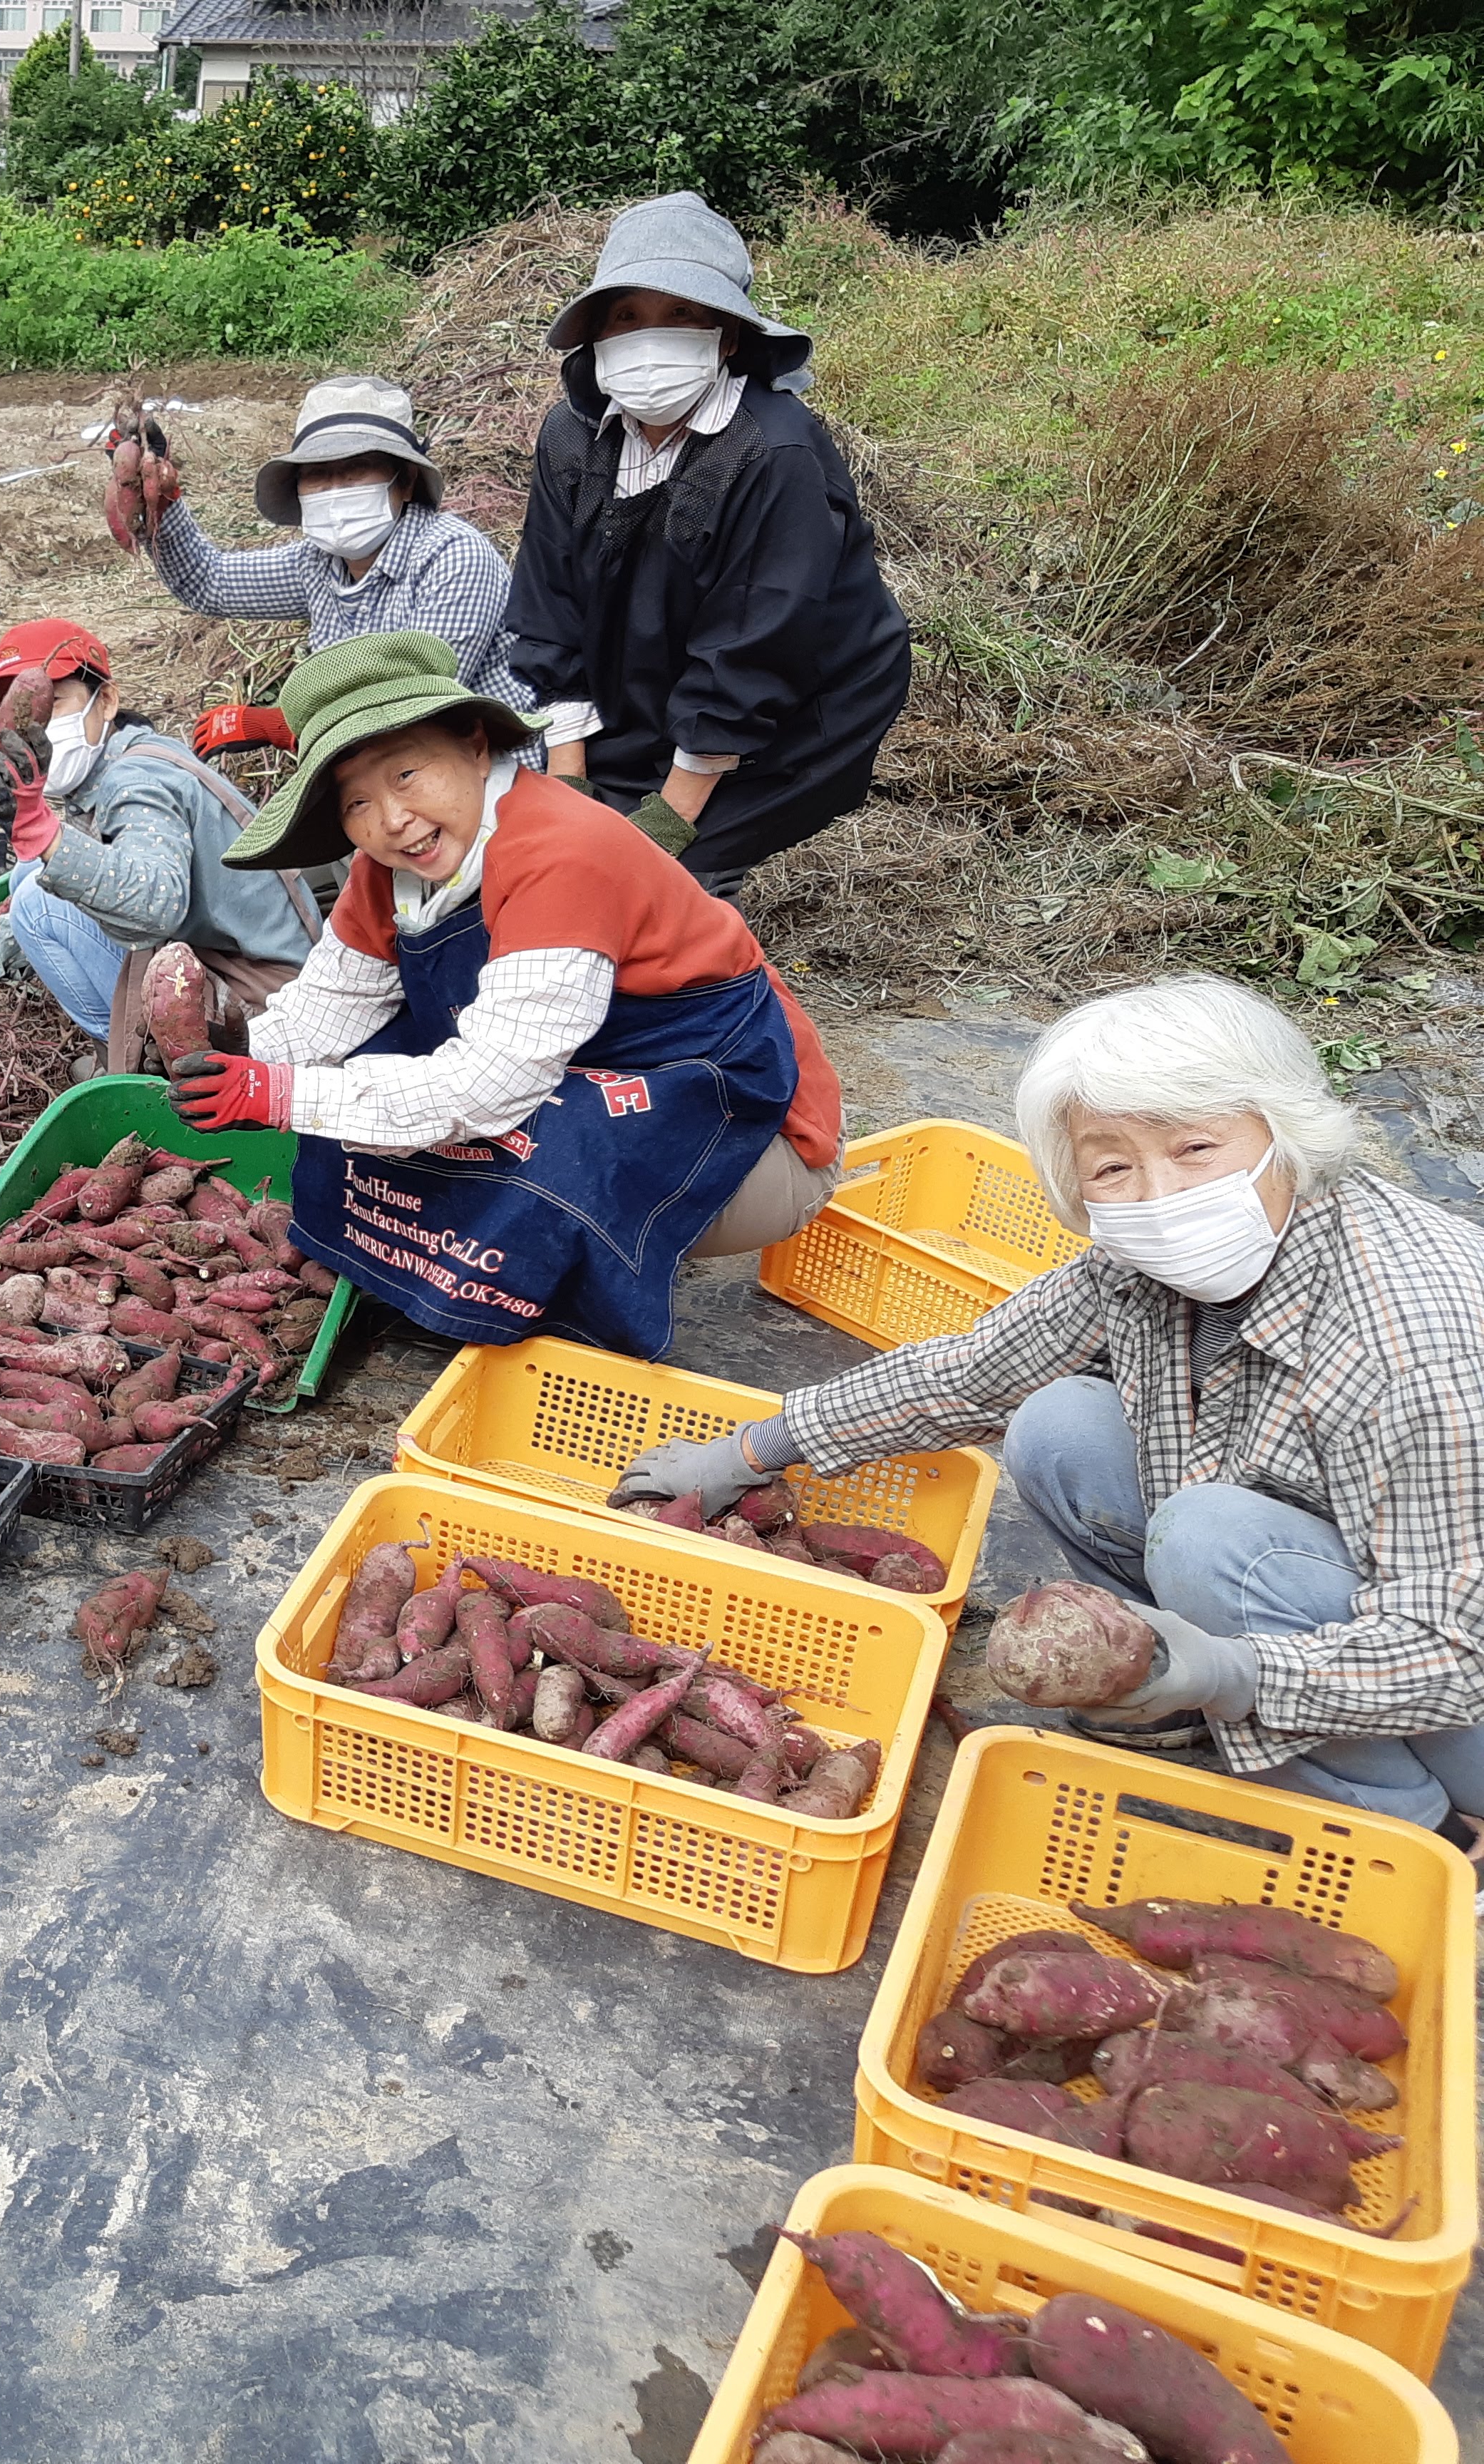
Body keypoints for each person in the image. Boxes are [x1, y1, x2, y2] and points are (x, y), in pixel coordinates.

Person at [615, 977, 1484, 1840]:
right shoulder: (1138, 1267)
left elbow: (1452, 1649)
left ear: (1285, 1132)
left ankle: (1415, 1834)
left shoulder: (1412, 1345)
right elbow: (970, 1373)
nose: (1160, 1194)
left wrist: (1234, 1670)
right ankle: (1174, 1701)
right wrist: (751, 1451)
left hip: (1454, 1688)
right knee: (1059, 1424)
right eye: (1113, 1166)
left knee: (1207, 1535)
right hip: (1326, 1580)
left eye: (1195, 1148)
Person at [164, 632, 841, 1358]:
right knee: (362, 1080)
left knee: (490, 1140)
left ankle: (578, 1293)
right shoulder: (388, 871)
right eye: (357, 801)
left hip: (745, 1131)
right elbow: (328, 1009)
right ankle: (463, 1274)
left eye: (407, 774)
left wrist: (279, 1096)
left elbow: (491, 1086)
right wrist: (229, 1060)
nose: (390, 819)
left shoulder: (562, 854)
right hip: (580, 1071)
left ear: (476, 745)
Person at [505, 191, 912, 903]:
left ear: (726, 337)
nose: (649, 338)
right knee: (572, 842)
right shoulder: (570, 438)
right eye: (626, 316)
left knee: (667, 879)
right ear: (596, 334)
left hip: (794, 702)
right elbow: (552, 605)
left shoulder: (773, 453)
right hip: (646, 675)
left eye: (681, 314)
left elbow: (754, 648)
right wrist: (568, 786)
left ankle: (705, 920)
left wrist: (668, 824)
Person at [0, 620, 319, 1071]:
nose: (33, 731)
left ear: (107, 701)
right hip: (243, 971)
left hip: (266, 1006)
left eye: (51, 706)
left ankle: (133, 1068)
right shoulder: (117, 768)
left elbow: (156, 906)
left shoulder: (135, 781)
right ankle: (131, 1046)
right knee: (35, 875)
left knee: (38, 897)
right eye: (14, 717)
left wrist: (42, 833)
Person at [135, 376, 529, 712]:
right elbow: (210, 582)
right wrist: (161, 504)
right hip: (388, 761)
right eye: (318, 474)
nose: (335, 489)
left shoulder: (452, 555)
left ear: (406, 481)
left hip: (487, 763)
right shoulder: (319, 563)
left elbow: (417, 703)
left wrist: (283, 724)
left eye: (356, 469)